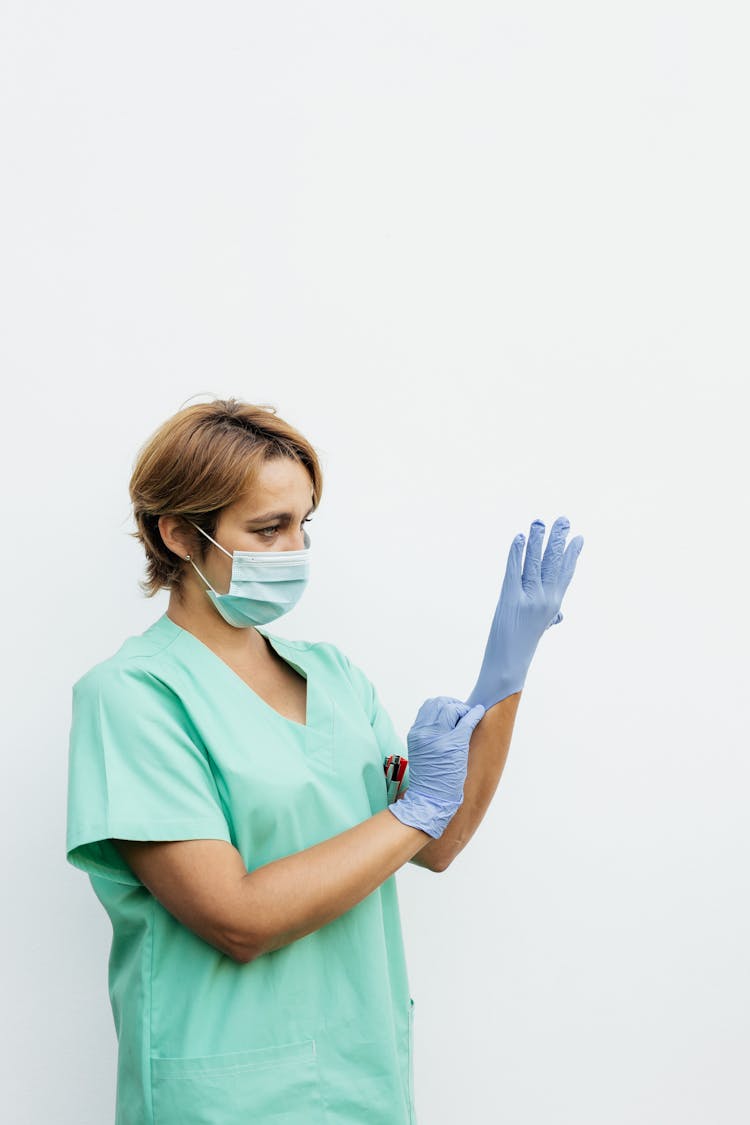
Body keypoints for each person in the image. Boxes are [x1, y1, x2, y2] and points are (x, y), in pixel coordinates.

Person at [66, 397, 584, 1124]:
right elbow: (236, 918)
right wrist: (414, 809)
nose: (295, 549)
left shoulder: (334, 676)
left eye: (303, 523)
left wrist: (504, 671)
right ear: (180, 533)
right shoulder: (133, 696)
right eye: (268, 528)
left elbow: (437, 842)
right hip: (225, 1097)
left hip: (363, 1080)